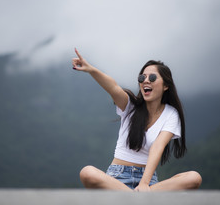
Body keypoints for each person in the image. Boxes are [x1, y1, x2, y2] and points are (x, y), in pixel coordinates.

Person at [72, 48, 202, 192]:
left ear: (165, 85)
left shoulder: (171, 114)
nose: (146, 81)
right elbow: (113, 87)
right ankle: (135, 199)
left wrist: (145, 184)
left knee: (194, 178)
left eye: (152, 78)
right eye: (142, 78)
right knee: (87, 172)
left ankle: (134, 198)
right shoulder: (130, 106)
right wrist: (91, 70)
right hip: (117, 179)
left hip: (149, 182)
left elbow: (157, 147)